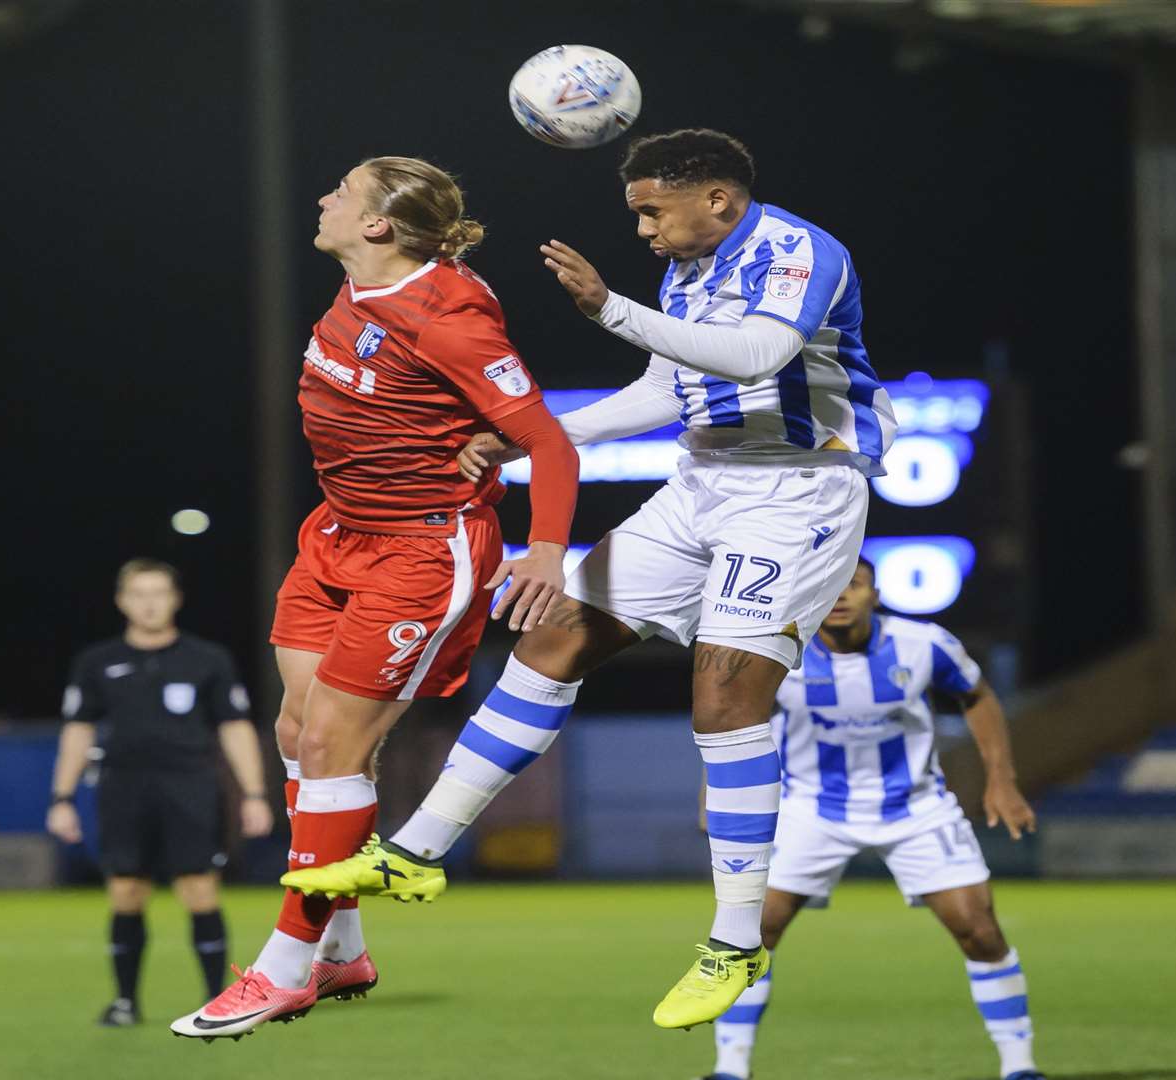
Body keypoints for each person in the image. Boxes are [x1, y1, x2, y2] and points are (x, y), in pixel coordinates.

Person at [285, 128, 894, 1030]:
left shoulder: (796, 251)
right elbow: (665, 391)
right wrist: (542, 439)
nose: (644, 229)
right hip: (701, 482)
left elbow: (759, 357)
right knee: (554, 634)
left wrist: (608, 308)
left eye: (653, 210)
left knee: (724, 698)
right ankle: (415, 851)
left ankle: (733, 942)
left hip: (799, 491)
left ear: (716, 200)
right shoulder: (691, 272)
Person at [169, 156, 580, 1042]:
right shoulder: (367, 286)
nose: (322, 199)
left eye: (340, 194)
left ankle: (282, 969)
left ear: (378, 227)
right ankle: (344, 946)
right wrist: (472, 429)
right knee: (294, 733)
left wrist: (544, 550)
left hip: (421, 551)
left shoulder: (448, 317)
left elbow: (547, 441)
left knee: (332, 743)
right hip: (337, 534)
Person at [700, 557, 1044, 1080]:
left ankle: (1019, 1066)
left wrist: (1002, 779)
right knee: (754, 929)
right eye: (828, 587)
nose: (840, 596)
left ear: (874, 594)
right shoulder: (778, 650)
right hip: (810, 807)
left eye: (853, 585)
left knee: (979, 930)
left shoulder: (923, 643)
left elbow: (976, 695)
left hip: (915, 806)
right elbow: (734, 721)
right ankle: (730, 1069)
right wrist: (716, 791)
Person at [46, 558, 273, 1027]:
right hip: (122, 789)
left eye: (159, 593)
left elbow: (234, 727)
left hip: (190, 787)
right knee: (126, 890)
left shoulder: (207, 659)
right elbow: (78, 730)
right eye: (139, 594)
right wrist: (62, 798)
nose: (149, 603)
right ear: (121, 601)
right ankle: (125, 1001)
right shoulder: (97, 662)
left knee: (199, 888)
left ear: (176, 599)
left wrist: (254, 793)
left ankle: (217, 1000)